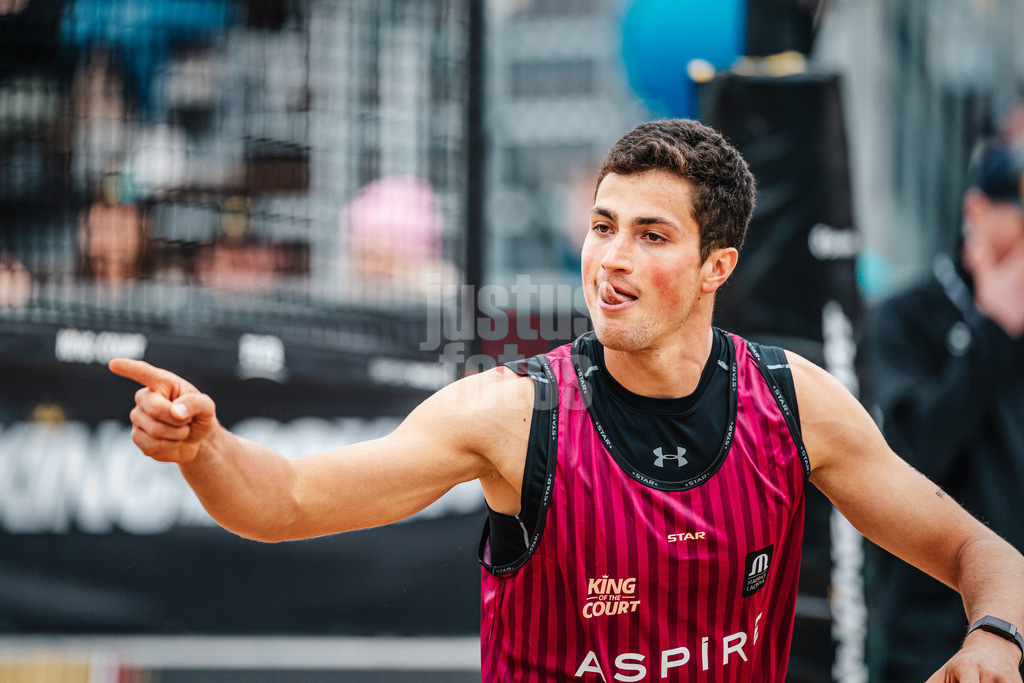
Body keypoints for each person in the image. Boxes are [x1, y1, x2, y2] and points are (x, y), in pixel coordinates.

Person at [109, 119, 1024, 681]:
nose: (611, 259)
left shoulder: (794, 404)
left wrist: (993, 636)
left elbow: (982, 551)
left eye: (650, 234)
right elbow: (288, 502)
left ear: (717, 268)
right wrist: (206, 449)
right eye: (601, 226)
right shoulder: (512, 415)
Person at [862, 137, 1024, 681]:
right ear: (977, 211)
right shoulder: (908, 317)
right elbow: (911, 457)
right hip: (939, 634)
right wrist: (993, 328)